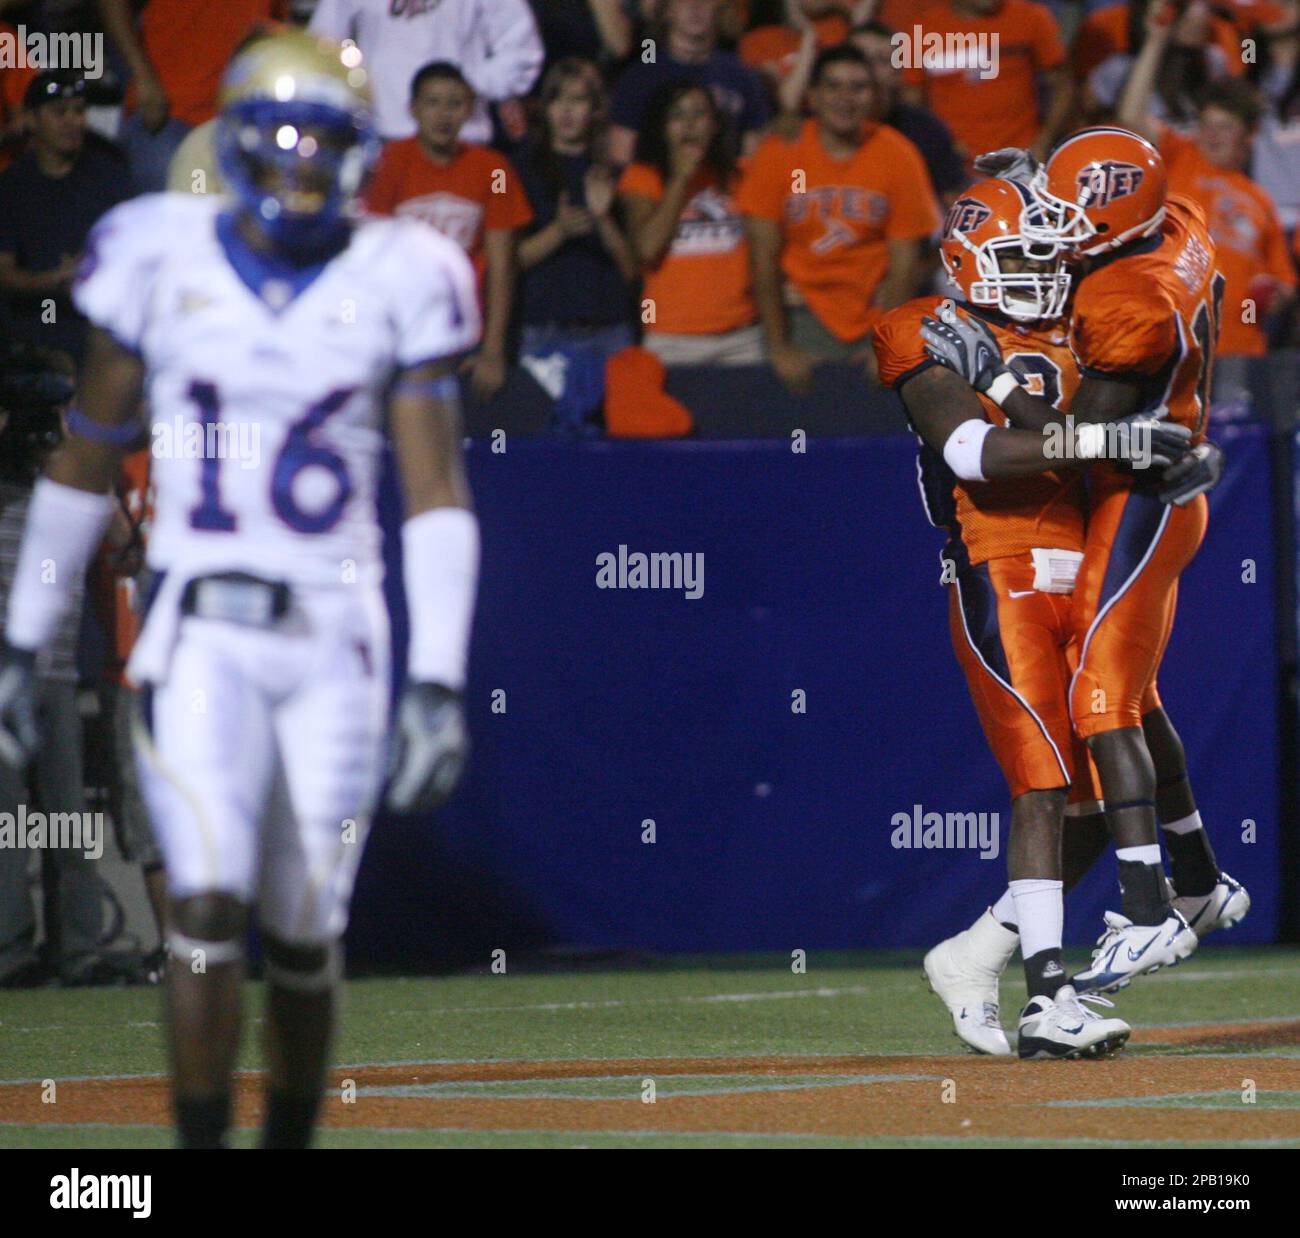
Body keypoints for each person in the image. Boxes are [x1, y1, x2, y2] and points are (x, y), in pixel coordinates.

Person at [0, 28, 482, 1149]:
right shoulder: (158, 253)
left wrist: (438, 675)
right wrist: (24, 639)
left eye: (327, 143)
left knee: (306, 933)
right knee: (207, 910)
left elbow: (434, 488)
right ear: (240, 143)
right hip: (202, 632)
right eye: (285, 140)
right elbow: (86, 448)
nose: (305, 166)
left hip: (336, 638)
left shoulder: (400, 272)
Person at [922, 129, 1250, 995]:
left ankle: (1148, 915)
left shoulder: (1128, 303)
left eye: (1069, 220)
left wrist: (993, 382)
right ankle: (1201, 880)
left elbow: (1067, 443)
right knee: (1134, 700)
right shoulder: (1176, 222)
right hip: (1162, 475)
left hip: (1138, 486)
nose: (1055, 236)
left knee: (1101, 702)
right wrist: (1041, 180)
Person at [873, 180, 1179, 1057]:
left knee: (1094, 796)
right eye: (1019, 259)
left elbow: (1070, 428)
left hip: (1085, 571)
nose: (1040, 276)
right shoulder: (926, 327)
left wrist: (1020, 383)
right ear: (971, 264)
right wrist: (1106, 440)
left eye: (1048, 257)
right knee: (1044, 784)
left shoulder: (1077, 327)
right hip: (997, 563)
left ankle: (976, 954)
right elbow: (974, 454)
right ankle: (1050, 996)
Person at [736, 45, 939, 392]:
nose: (846, 98)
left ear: (874, 97)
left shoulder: (898, 153)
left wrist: (889, 343)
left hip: (879, 313)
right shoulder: (779, 153)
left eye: (858, 87)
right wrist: (779, 345)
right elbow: (762, 257)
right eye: (833, 86)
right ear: (812, 96)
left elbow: (905, 260)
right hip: (802, 315)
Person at [0, 342, 107, 988]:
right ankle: (11, 954)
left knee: (68, 817)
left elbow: (120, 539)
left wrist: (67, 455)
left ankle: (80, 951)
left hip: (62, 671)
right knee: (9, 823)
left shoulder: (76, 484)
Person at [1117, 10, 1296, 361]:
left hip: (1239, 350)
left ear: (1249, 136)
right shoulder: (1181, 156)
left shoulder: (1261, 200)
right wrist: (1155, 41)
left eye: (1224, 128)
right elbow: (1130, 119)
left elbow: (1284, 282)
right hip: (1170, 339)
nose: (1211, 137)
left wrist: (1276, 294)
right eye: (1206, 125)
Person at [365, 62, 534, 404]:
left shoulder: (493, 170)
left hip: (462, 336)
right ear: (412, 109)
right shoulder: (387, 162)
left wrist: (493, 351)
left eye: (454, 104)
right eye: (433, 102)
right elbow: (369, 257)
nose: (443, 114)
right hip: (397, 331)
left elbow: (503, 267)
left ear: (470, 110)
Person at [516, 59, 637, 426]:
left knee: (614, 445)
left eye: (579, 100)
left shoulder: (614, 175)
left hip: (609, 331)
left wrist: (602, 217)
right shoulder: (520, 170)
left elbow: (633, 268)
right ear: (544, 108)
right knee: (547, 444)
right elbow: (509, 261)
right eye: (558, 100)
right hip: (544, 331)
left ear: (595, 109)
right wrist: (559, 231)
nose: (567, 111)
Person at [619, 80, 761, 364]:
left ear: (715, 125)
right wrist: (680, 180)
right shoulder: (643, 177)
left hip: (742, 335)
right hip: (672, 336)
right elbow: (645, 250)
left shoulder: (742, 175)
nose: (689, 124)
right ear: (662, 129)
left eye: (699, 114)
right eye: (677, 116)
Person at [0, 71, 132, 364]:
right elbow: (4, 271)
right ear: (32, 120)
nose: (74, 122)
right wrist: (50, 281)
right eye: (60, 113)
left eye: (80, 111)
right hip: (35, 324)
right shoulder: (12, 186)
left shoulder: (111, 176)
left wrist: (93, 270)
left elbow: (136, 252)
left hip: (98, 324)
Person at [97, 0, 284, 192]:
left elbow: (273, 22)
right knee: (190, 210)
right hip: (173, 113)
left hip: (247, 121)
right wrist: (142, 76)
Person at [309, 0, 544, 143]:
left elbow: (522, 51)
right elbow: (321, 48)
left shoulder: (494, 170)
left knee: (494, 195)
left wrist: (468, 87)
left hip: (463, 140)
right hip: (382, 134)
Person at [898, 0, 1073, 167]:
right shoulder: (921, 31)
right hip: (957, 167)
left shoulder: (1032, 18)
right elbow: (911, 101)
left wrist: (1044, 141)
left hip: (1022, 161)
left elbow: (1063, 85)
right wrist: (941, 147)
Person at [608, 0, 771, 164]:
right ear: (667, 10)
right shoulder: (640, 78)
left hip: (722, 184)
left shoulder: (741, 76)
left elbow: (753, 156)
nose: (695, 6)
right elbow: (622, 158)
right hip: (658, 184)